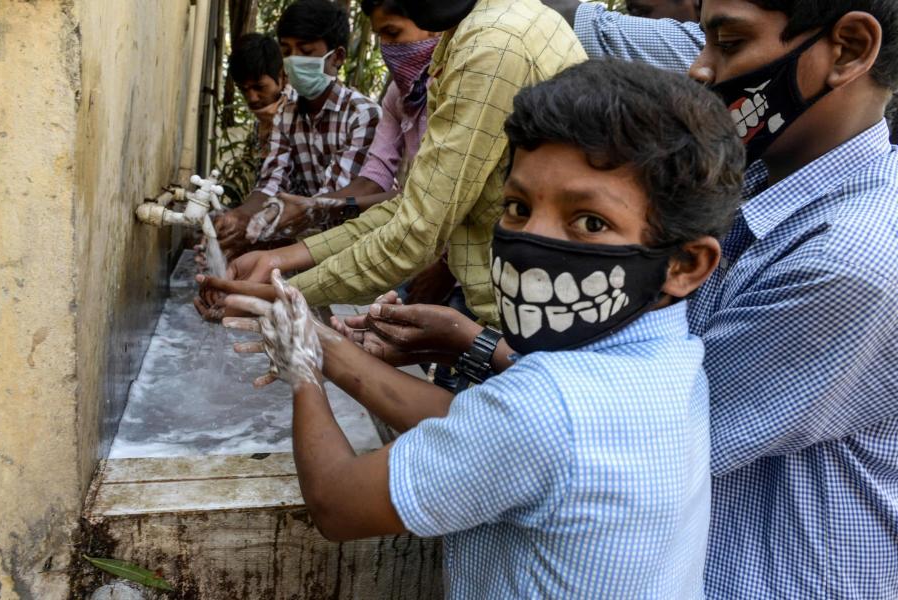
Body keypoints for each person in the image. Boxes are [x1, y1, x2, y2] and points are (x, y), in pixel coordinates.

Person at [353, 1, 898, 598]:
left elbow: (630, 426)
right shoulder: (758, 179)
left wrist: (332, 352)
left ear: (847, 48)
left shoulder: (850, 262)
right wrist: (473, 344)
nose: (699, 67)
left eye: (730, 43)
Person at [223, 59, 746, 599]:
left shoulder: (545, 406)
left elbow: (337, 504)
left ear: (685, 265)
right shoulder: (671, 362)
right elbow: (477, 428)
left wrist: (303, 370)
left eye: (590, 222)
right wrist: (323, 340)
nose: (531, 244)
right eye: (517, 207)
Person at [196, 0, 585, 327]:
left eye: (393, 34)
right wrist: (277, 260)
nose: (388, 46)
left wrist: (276, 295)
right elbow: (412, 204)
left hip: (530, 311)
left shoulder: (492, 50)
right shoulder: (477, 36)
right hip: (516, 301)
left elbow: (415, 230)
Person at [254, 0, 440, 241]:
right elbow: (377, 175)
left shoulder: (365, 114)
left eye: (392, 32)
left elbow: (420, 197)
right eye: (287, 52)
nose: (385, 46)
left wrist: (318, 207)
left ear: (434, 26)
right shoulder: (397, 95)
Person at [215, 0, 382, 258]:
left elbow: (331, 202)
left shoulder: (363, 115)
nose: (294, 61)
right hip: (309, 238)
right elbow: (272, 180)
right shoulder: (287, 115)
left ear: (337, 57)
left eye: (305, 51)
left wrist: (267, 229)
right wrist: (240, 216)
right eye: (287, 51)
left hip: (357, 246)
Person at [223, 33, 292, 203]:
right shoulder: (260, 125)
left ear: (282, 77)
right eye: (244, 89)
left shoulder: (299, 117)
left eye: (259, 87)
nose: (252, 97)